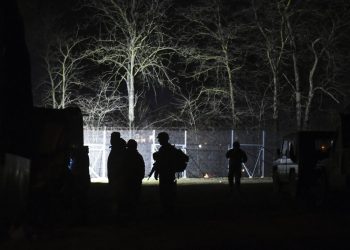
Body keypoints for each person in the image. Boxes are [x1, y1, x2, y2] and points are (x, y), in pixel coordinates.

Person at [151, 132, 178, 214]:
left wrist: (156, 172)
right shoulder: (170, 148)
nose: (158, 140)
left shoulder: (164, 149)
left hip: (166, 175)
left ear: (163, 139)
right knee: (169, 193)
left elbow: (160, 162)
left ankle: (167, 211)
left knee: (165, 193)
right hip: (170, 174)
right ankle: (169, 210)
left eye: (159, 138)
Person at [122, 139, 145, 214]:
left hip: (127, 181)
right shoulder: (138, 156)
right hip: (136, 181)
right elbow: (142, 169)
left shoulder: (125, 156)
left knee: (127, 198)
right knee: (135, 198)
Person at [107, 132, 126, 215]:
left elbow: (118, 164)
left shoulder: (117, 150)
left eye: (112, 138)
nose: (111, 140)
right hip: (116, 177)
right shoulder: (118, 148)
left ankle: (118, 212)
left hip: (117, 177)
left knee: (117, 196)